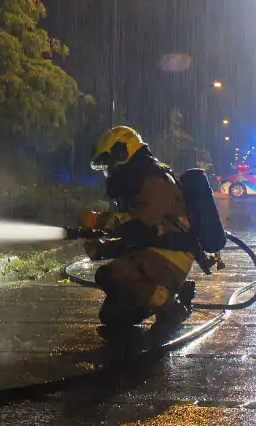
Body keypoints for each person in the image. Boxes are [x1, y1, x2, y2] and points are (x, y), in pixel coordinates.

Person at [80, 126, 198, 329]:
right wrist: (103, 248)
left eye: (109, 164)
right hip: (153, 252)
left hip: (170, 256)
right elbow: (139, 235)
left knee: (109, 275)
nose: (109, 171)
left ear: (122, 153)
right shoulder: (139, 180)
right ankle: (167, 293)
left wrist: (100, 222)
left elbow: (142, 228)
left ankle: (169, 303)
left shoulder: (156, 180)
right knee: (113, 316)